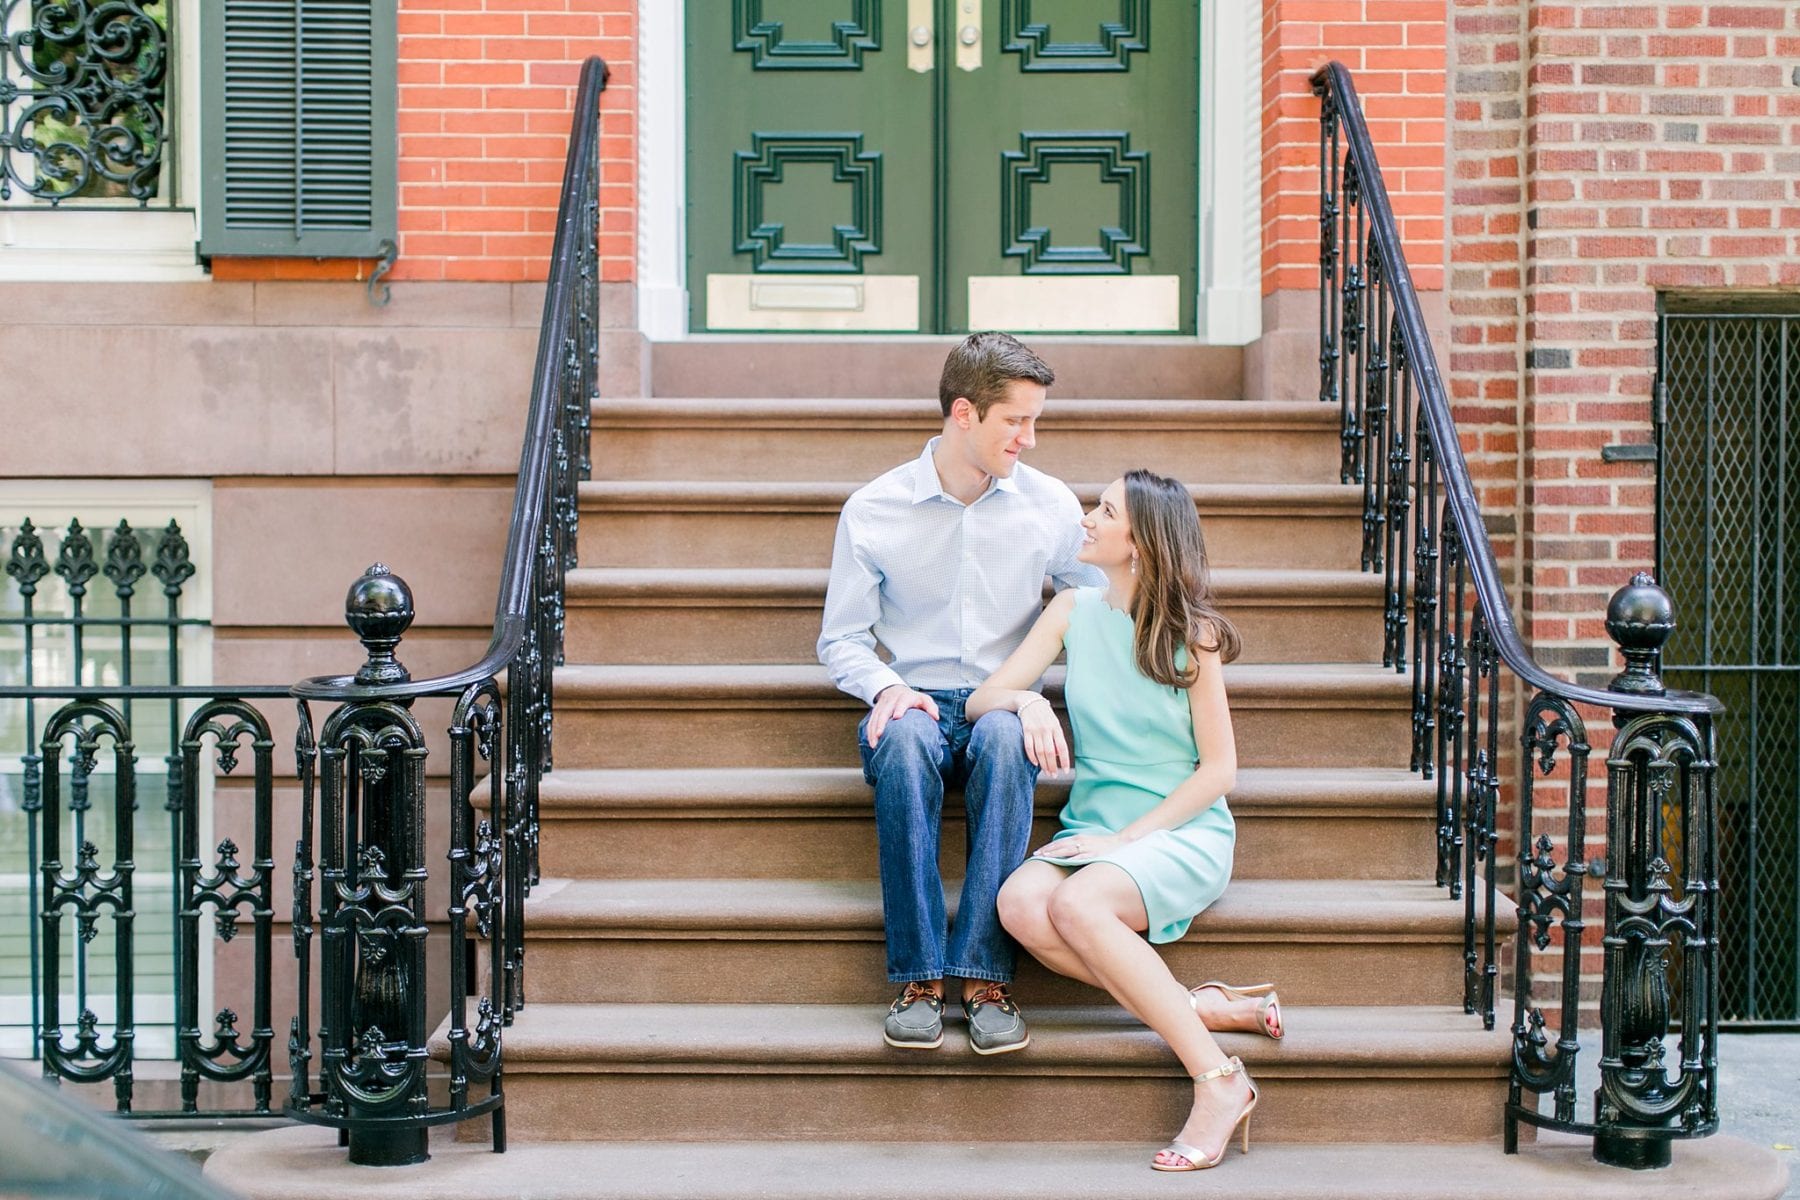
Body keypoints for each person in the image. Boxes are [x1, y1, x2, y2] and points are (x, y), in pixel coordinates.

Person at [967, 468, 1280, 1171]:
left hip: (1177, 833)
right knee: (1018, 903)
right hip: (1097, 826)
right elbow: (983, 698)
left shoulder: (1191, 637)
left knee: (1077, 902)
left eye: (1104, 511)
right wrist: (1030, 703)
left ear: (1137, 544)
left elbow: (1219, 771)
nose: (1086, 517)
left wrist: (1128, 839)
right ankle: (1195, 1005)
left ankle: (1219, 1081)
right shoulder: (1073, 610)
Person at [818, 331, 1103, 1056]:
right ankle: (918, 979)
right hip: (912, 696)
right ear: (964, 414)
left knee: (1008, 743)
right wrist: (885, 687)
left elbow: (1096, 602)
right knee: (906, 738)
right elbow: (841, 639)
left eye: (1036, 420)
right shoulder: (876, 508)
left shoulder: (1048, 505)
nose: (1031, 440)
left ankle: (983, 977)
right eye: (1017, 420)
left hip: (1003, 704)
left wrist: (1036, 688)